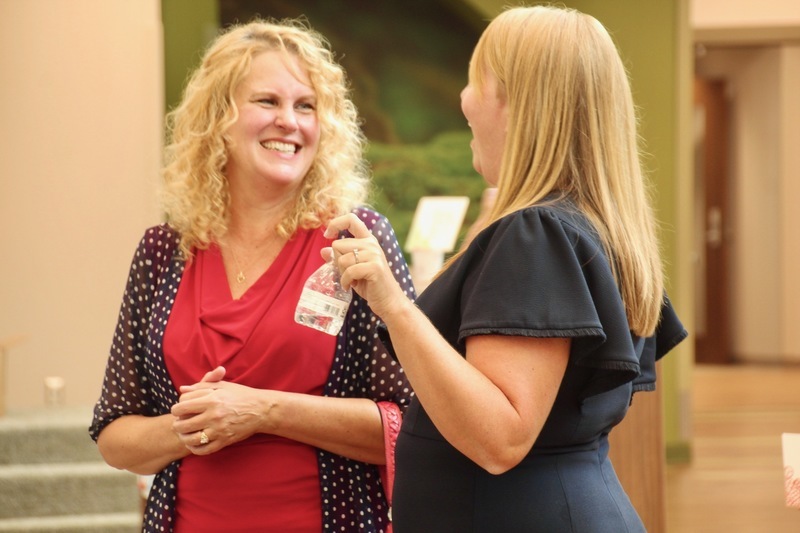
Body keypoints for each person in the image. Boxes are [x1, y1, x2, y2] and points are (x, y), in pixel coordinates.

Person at [323, 5, 688, 532]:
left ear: (520, 103)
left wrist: (392, 306)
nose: (465, 99)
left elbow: (500, 436)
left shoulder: (534, 236)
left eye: (478, 79)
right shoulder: (579, 227)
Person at [88, 18, 414, 533]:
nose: (290, 121)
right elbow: (114, 434)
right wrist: (196, 425)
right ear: (219, 117)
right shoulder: (162, 251)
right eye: (268, 102)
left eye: (306, 106)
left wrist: (262, 411)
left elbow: (409, 426)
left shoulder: (354, 238)